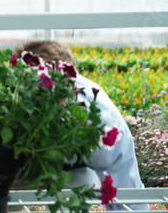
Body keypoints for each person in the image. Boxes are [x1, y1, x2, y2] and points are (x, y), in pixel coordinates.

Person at [12, 40, 148, 211]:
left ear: (70, 84)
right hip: (12, 167)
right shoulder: (2, 103)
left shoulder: (102, 122)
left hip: (68, 171)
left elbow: (127, 192)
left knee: (81, 181)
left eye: (52, 90)